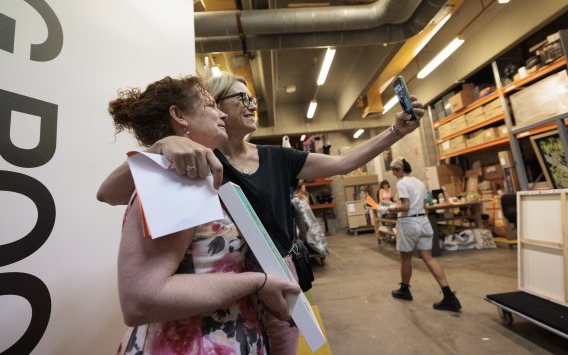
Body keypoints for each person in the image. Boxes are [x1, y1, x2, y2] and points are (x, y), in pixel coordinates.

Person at [98, 72, 425, 353]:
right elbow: (110, 197)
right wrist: (160, 148)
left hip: (247, 313)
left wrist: (395, 132)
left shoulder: (224, 167)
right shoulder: (189, 171)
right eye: (217, 103)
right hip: (207, 333)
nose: (248, 106)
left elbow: (343, 163)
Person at [107, 75, 300, 354]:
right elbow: (141, 300)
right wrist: (258, 281)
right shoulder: (176, 180)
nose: (220, 112)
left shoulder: (192, 175)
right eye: (209, 104)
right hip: (195, 343)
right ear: (179, 115)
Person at [386, 157, 461, 312]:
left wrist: (390, 209)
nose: (393, 174)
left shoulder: (401, 183)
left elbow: (405, 206)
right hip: (424, 222)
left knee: (406, 258)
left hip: (409, 223)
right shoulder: (419, 182)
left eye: (394, 170)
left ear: (399, 170)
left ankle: (405, 290)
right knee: (428, 258)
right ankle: (449, 295)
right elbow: (425, 206)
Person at [291, 183, 329, 256]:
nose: (304, 189)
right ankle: (315, 249)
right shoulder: (296, 199)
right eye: (303, 188)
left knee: (316, 232)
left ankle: (320, 248)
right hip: (305, 219)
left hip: (310, 218)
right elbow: (301, 210)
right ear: (299, 189)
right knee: (310, 234)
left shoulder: (304, 196)